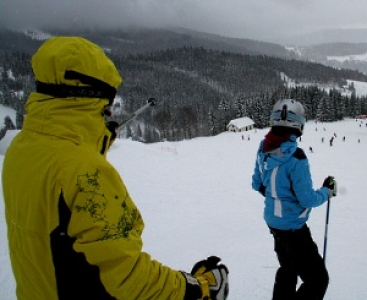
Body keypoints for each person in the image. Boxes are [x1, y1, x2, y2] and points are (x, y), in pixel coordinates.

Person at [2, 37, 229, 300]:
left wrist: (93, 139)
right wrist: (197, 288)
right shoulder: (88, 175)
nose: (108, 113)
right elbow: (129, 277)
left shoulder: (21, 148)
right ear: (92, 97)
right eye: (106, 107)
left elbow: (58, 203)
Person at [251, 99, 337, 300]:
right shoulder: (296, 157)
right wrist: (327, 191)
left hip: (274, 223)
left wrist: (277, 197)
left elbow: (257, 183)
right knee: (318, 279)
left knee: (288, 269)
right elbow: (307, 199)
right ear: (298, 125)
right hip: (293, 229)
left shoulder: (263, 147)